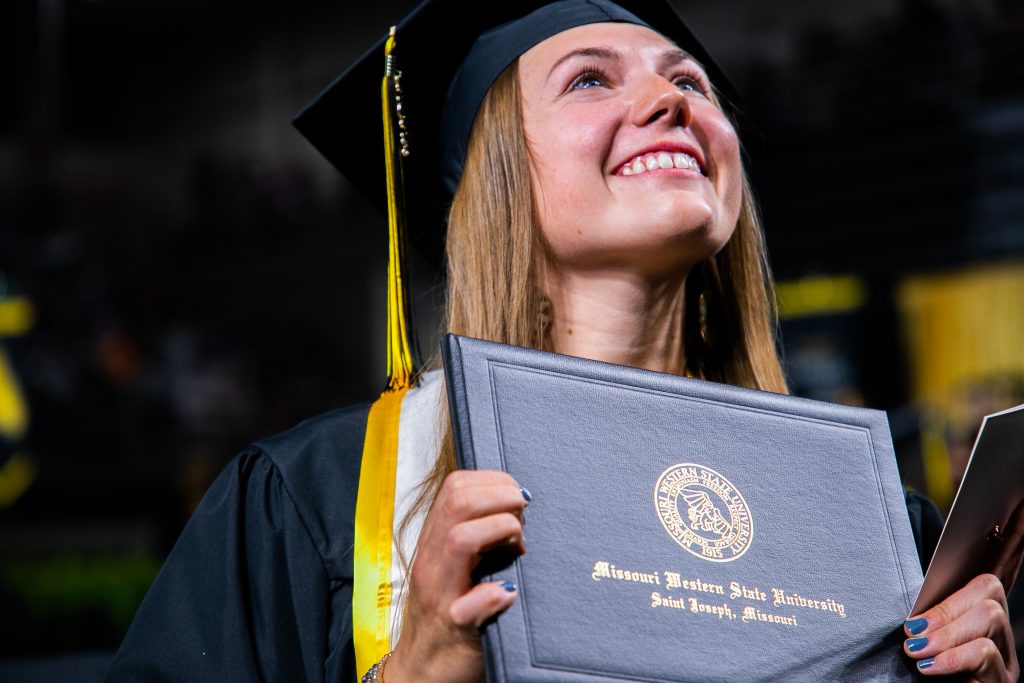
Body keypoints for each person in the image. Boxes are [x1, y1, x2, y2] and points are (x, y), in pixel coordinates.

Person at [105, 0, 1019, 681]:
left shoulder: (879, 532)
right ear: (491, 175)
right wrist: (412, 668)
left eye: (689, 81)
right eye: (590, 77)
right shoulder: (316, 502)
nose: (667, 99)